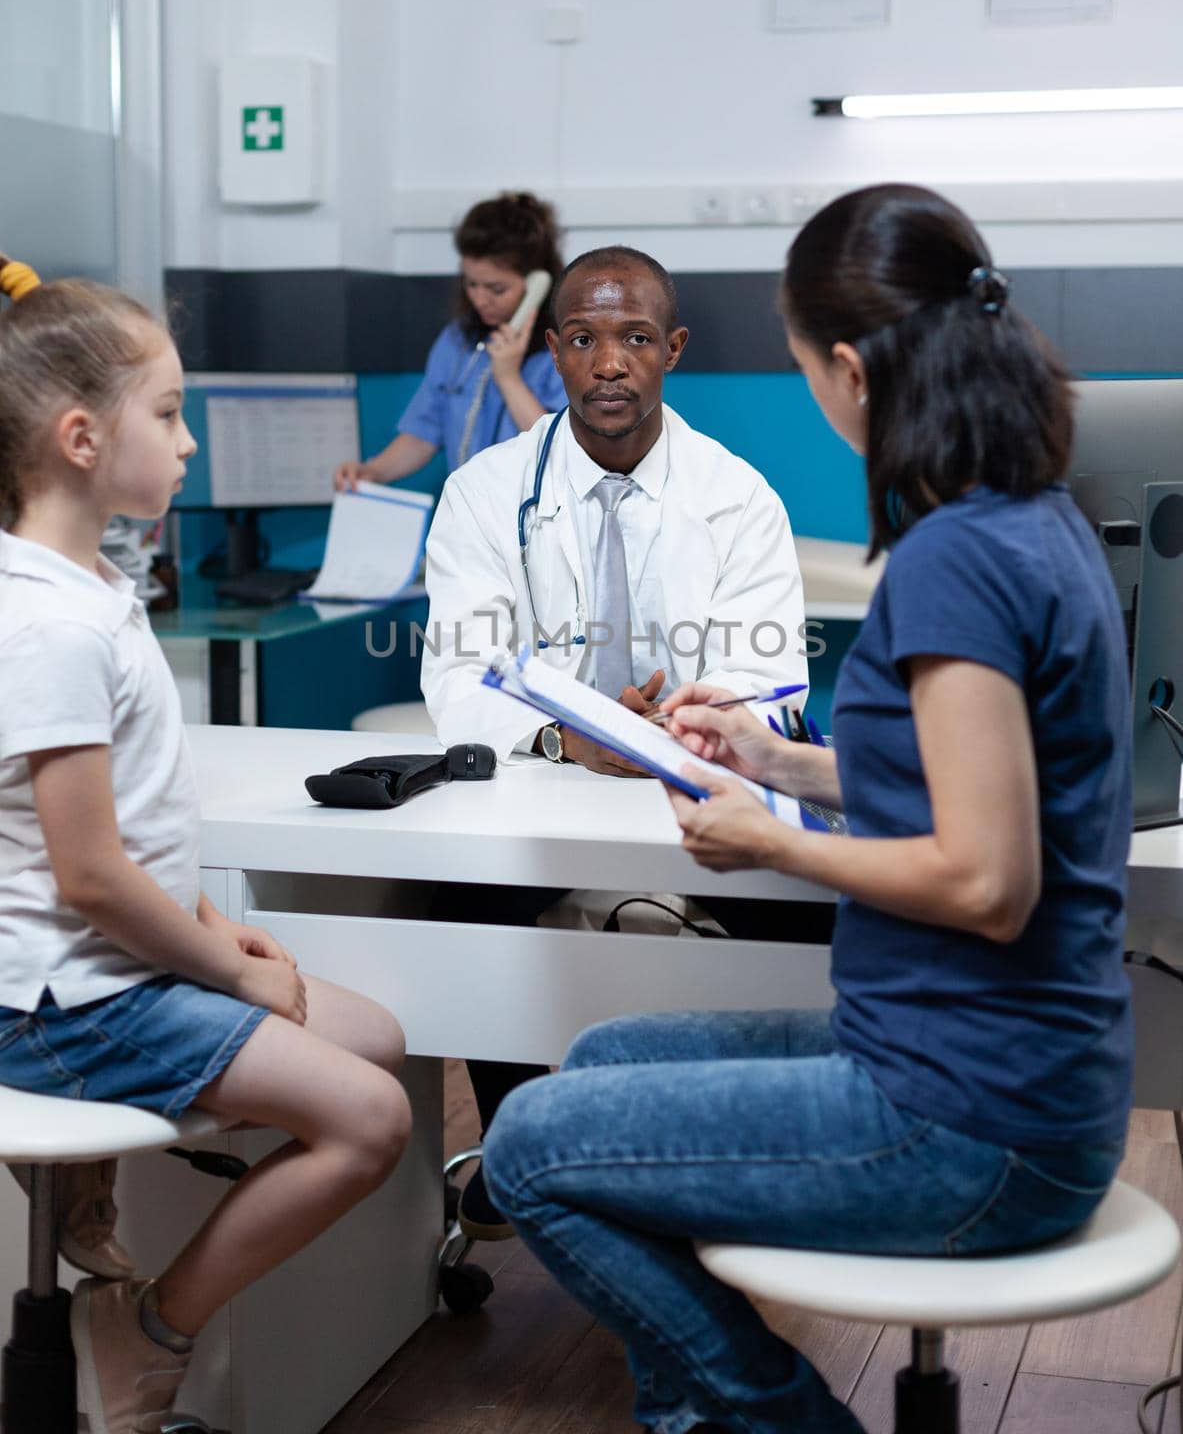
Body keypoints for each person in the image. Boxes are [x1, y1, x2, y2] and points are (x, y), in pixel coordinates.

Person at [480, 184, 1134, 1434]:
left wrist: (767, 844)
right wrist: (773, 765)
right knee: (604, 1056)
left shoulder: (954, 556)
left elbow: (988, 881)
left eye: (798, 369)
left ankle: (772, 1422)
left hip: (966, 1116)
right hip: (999, 1069)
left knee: (523, 1150)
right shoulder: (1026, 518)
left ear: (846, 369)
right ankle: (701, 1417)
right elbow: (967, 780)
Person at [0, 256, 412, 1434]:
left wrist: (207, 929)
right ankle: (145, 1331)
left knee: (376, 1036)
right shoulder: (46, 625)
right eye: (171, 415)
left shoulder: (86, 587)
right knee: (371, 1119)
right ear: (82, 437)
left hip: (108, 967)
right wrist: (225, 970)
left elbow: (110, 845)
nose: (190, 445)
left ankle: (83, 1180)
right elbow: (84, 876)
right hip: (64, 1006)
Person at [421, 245, 808, 1240]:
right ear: (552, 352)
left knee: (802, 902)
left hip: (696, 779)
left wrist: (676, 727)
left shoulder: (737, 497)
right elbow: (457, 678)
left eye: (634, 338)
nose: (607, 364)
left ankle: (752, 1154)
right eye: (584, 340)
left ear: (670, 349)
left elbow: (767, 682)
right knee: (457, 885)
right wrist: (570, 736)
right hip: (545, 777)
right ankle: (515, 1139)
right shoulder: (482, 492)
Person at [334, 191, 566, 486]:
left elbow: (558, 452)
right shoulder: (457, 342)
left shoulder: (564, 348)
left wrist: (508, 378)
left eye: (496, 289)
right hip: (471, 516)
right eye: (471, 284)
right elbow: (424, 431)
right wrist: (374, 471)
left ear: (538, 283)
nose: (480, 299)